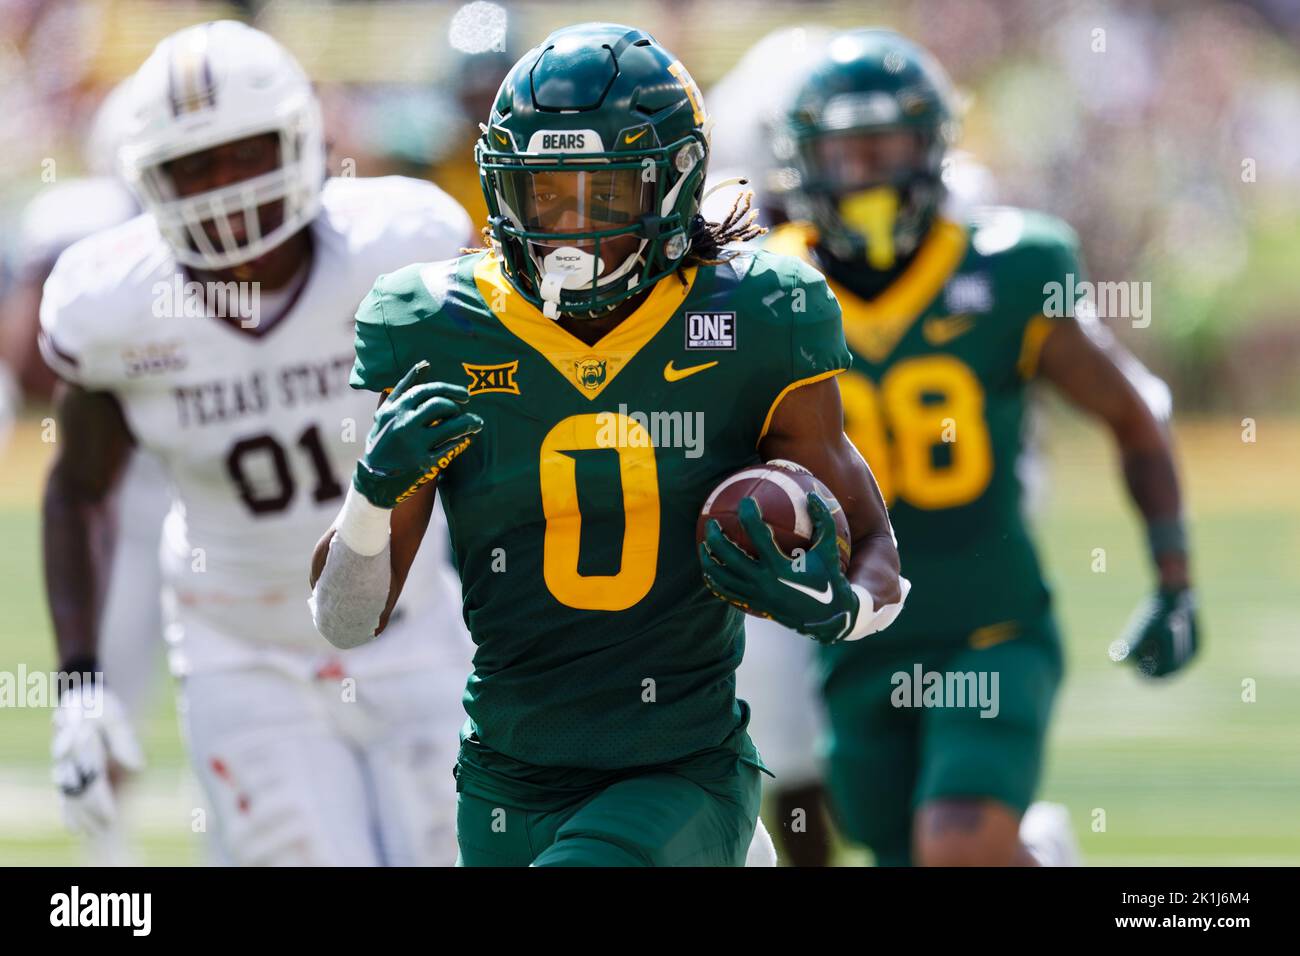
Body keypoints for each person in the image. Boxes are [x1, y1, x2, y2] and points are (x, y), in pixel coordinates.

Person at [309, 21, 908, 867]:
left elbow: (874, 543)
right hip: (506, 781)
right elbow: (345, 620)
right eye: (547, 193)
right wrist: (372, 500)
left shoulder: (756, 315)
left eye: (605, 194)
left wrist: (843, 610)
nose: (571, 230)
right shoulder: (438, 326)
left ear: (673, 187)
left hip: (681, 769)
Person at [41, 20, 473, 865]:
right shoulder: (116, 304)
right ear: (148, 181)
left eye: (244, 153)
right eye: (194, 166)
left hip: (413, 625)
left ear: (302, 143)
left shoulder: (396, 252)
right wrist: (82, 687)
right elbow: (80, 487)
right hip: (243, 652)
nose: (225, 187)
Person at [764, 28, 1198, 866]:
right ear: (804, 162)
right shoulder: (767, 288)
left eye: (887, 150)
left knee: (956, 851)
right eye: (846, 154)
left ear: (933, 151)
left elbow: (1133, 408)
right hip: (857, 639)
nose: (868, 178)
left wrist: (1173, 575)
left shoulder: (1011, 266)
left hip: (989, 629)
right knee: (902, 851)